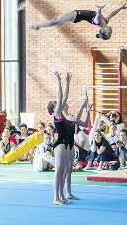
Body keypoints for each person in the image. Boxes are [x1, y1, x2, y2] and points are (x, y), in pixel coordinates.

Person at [47, 71, 89, 205]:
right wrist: (59, 80)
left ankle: (62, 196)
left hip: (66, 144)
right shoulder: (57, 115)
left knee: (64, 171)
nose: (60, 103)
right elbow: (60, 96)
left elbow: (64, 97)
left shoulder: (65, 116)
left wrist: (68, 82)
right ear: (54, 108)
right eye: (56, 103)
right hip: (60, 144)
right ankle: (56, 198)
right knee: (58, 171)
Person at [29, 4, 127, 40]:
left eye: (109, 33)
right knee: (54, 21)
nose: (111, 31)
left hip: (75, 15)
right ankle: (37, 26)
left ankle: (37, 26)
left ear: (103, 31)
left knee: (54, 21)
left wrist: (99, 10)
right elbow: (112, 14)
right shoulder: (105, 21)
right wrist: (121, 8)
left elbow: (97, 16)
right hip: (76, 16)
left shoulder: (98, 23)